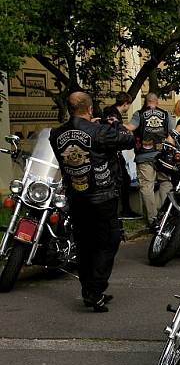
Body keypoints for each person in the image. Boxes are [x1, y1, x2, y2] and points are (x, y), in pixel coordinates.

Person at [49, 92, 134, 312]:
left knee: (84, 245)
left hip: (76, 196)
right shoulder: (99, 130)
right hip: (101, 195)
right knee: (109, 240)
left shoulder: (56, 134)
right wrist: (110, 124)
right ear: (89, 109)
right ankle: (95, 291)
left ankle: (90, 289)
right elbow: (128, 139)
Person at [128, 92, 175, 227]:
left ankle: (153, 219)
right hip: (163, 157)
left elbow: (131, 127)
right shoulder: (166, 114)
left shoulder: (139, 114)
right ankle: (161, 213)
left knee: (147, 187)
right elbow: (172, 135)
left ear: (145, 101)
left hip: (144, 156)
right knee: (166, 182)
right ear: (157, 102)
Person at [102, 92, 139, 218]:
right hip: (113, 153)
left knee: (124, 179)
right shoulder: (114, 115)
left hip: (113, 153)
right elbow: (117, 135)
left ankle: (124, 209)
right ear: (125, 104)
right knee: (123, 180)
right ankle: (124, 210)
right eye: (129, 105)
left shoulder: (109, 112)